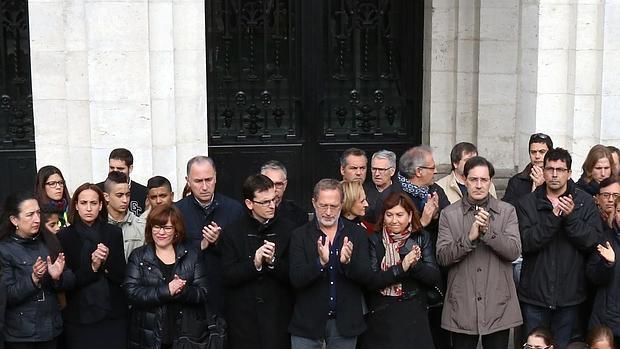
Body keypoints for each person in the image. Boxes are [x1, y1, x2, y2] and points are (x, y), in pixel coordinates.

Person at [517, 148, 602, 349]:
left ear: (569, 173)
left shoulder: (585, 202)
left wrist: (571, 217)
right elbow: (526, 243)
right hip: (535, 296)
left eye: (560, 170)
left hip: (569, 296)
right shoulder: (527, 204)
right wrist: (553, 218)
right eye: (550, 169)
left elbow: (592, 241)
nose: (555, 174)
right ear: (543, 171)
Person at [436, 156, 522, 349]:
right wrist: (469, 238)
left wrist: (489, 233)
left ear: (490, 181)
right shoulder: (449, 214)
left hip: (498, 304)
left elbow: (514, 252)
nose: (479, 185)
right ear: (465, 180)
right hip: (462, 305)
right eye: (474, 179)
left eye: (484, 180)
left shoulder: (506, 211)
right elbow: (443, 257)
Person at [378, 145, 450, 349]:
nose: (435, 172)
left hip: (430, 273)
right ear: (419, 171)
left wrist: (435, 217)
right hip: (400, 287)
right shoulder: (391, 195)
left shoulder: (435, 190)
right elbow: (384, 235)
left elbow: (447, 221)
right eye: (432, 167)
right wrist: (423, 222)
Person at [288, 179, 368, 349]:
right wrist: (320, 263)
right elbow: (296, 279)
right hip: (307, 325)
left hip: (344, 325)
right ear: (314, 203)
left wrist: (347, 264)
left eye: (334, 206)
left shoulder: (357, 234)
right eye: (323, 206)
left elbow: (366, 277)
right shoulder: (299, 235)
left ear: (342, 204)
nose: (329, 212)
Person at [221, 174, 295, 349]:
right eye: (265, 202)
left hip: (278, 319)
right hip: (244, 322)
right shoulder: (232, 232)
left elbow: (295, 275)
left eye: (274, 200)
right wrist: (254, 264)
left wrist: (273, 262)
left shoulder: (289, 229)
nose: (272, 206)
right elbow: (227, 276)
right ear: (249, 204)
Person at [359, 191, 441, 349]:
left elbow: (433, 276)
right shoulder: (375, 239)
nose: (394, 220)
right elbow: (372, 281)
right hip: (383, 314)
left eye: (399, 215)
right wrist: (401, 268)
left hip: (414, 313)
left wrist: (415, 265)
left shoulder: (421, 237)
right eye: (389, 215)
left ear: (409, 216)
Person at [125, 204, 208, 349]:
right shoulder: (139, 256)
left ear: (176, 230)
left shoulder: (192, 255)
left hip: (185, 335)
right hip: (149, 335)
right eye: (156, 227)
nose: (161, 232)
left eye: (167, 228)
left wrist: (182, 290)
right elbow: (131, 292)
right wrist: (167, 290)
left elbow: (203, 292)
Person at [0, 192, 74, 349]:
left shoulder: (49, 241)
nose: (37, 219)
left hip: (51, 328)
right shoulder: (4, 250)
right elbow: (7, 295)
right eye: (30, 215)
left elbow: (70, 280)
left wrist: (57, 277)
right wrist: (33, 279)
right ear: (14, 220)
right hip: (21, 334)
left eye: (38, 213)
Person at [57, 183, 127, 349]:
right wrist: (93, 267)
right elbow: (68, 281)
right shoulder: (64, 236)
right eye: (83, 203)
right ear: (76, 205)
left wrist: (105, 261)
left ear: (101, 205)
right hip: (79, 314)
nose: (88, 208)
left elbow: (121, 275)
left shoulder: (113, 232)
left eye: (93, 203)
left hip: (113, 314)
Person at [175, 156, 244, 315]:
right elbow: (170, 252)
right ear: (188, 181)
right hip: (191, 292)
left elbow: (242, 251)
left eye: (209, 179)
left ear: (215, 178)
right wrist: (202, 245)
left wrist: (220, 241)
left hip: (226, 291)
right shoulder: (177, 211)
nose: (204, 187)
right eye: (198, 181)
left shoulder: (234, 209)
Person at [587, 195, 619, 345]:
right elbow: (592, 277)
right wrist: (608, 264)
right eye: (619, 211)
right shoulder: (605, 239)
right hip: (607, 321)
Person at [503, 133, 554, 207]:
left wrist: (543, 187)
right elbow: (507, 209)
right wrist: (533, 193)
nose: (537, 156)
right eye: (533, 152)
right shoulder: (516, 181)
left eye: (542, 152)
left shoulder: (558, 177)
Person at [103, 171, 145, 260]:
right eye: (119, 195)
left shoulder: (141, 226)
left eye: (128, 195)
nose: (125, 200)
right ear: (106, 197)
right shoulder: (98, 224)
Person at [97, 148, 148, 216]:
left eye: (120, 168)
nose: (115, 171)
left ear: (130, 168)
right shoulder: (97, 190)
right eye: (112, 168)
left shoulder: (143, 192)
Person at [261, 160, 308, 228]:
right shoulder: (246, 214)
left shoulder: (299, 215)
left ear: (285, 185)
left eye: (278, 184)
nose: (274, 189)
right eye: (269, 184)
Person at [363, 150, 396, 214]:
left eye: (381, 169)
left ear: (392, 171)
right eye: (374, 169)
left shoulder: (401, 192)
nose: (377, 174)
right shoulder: (362, 191)